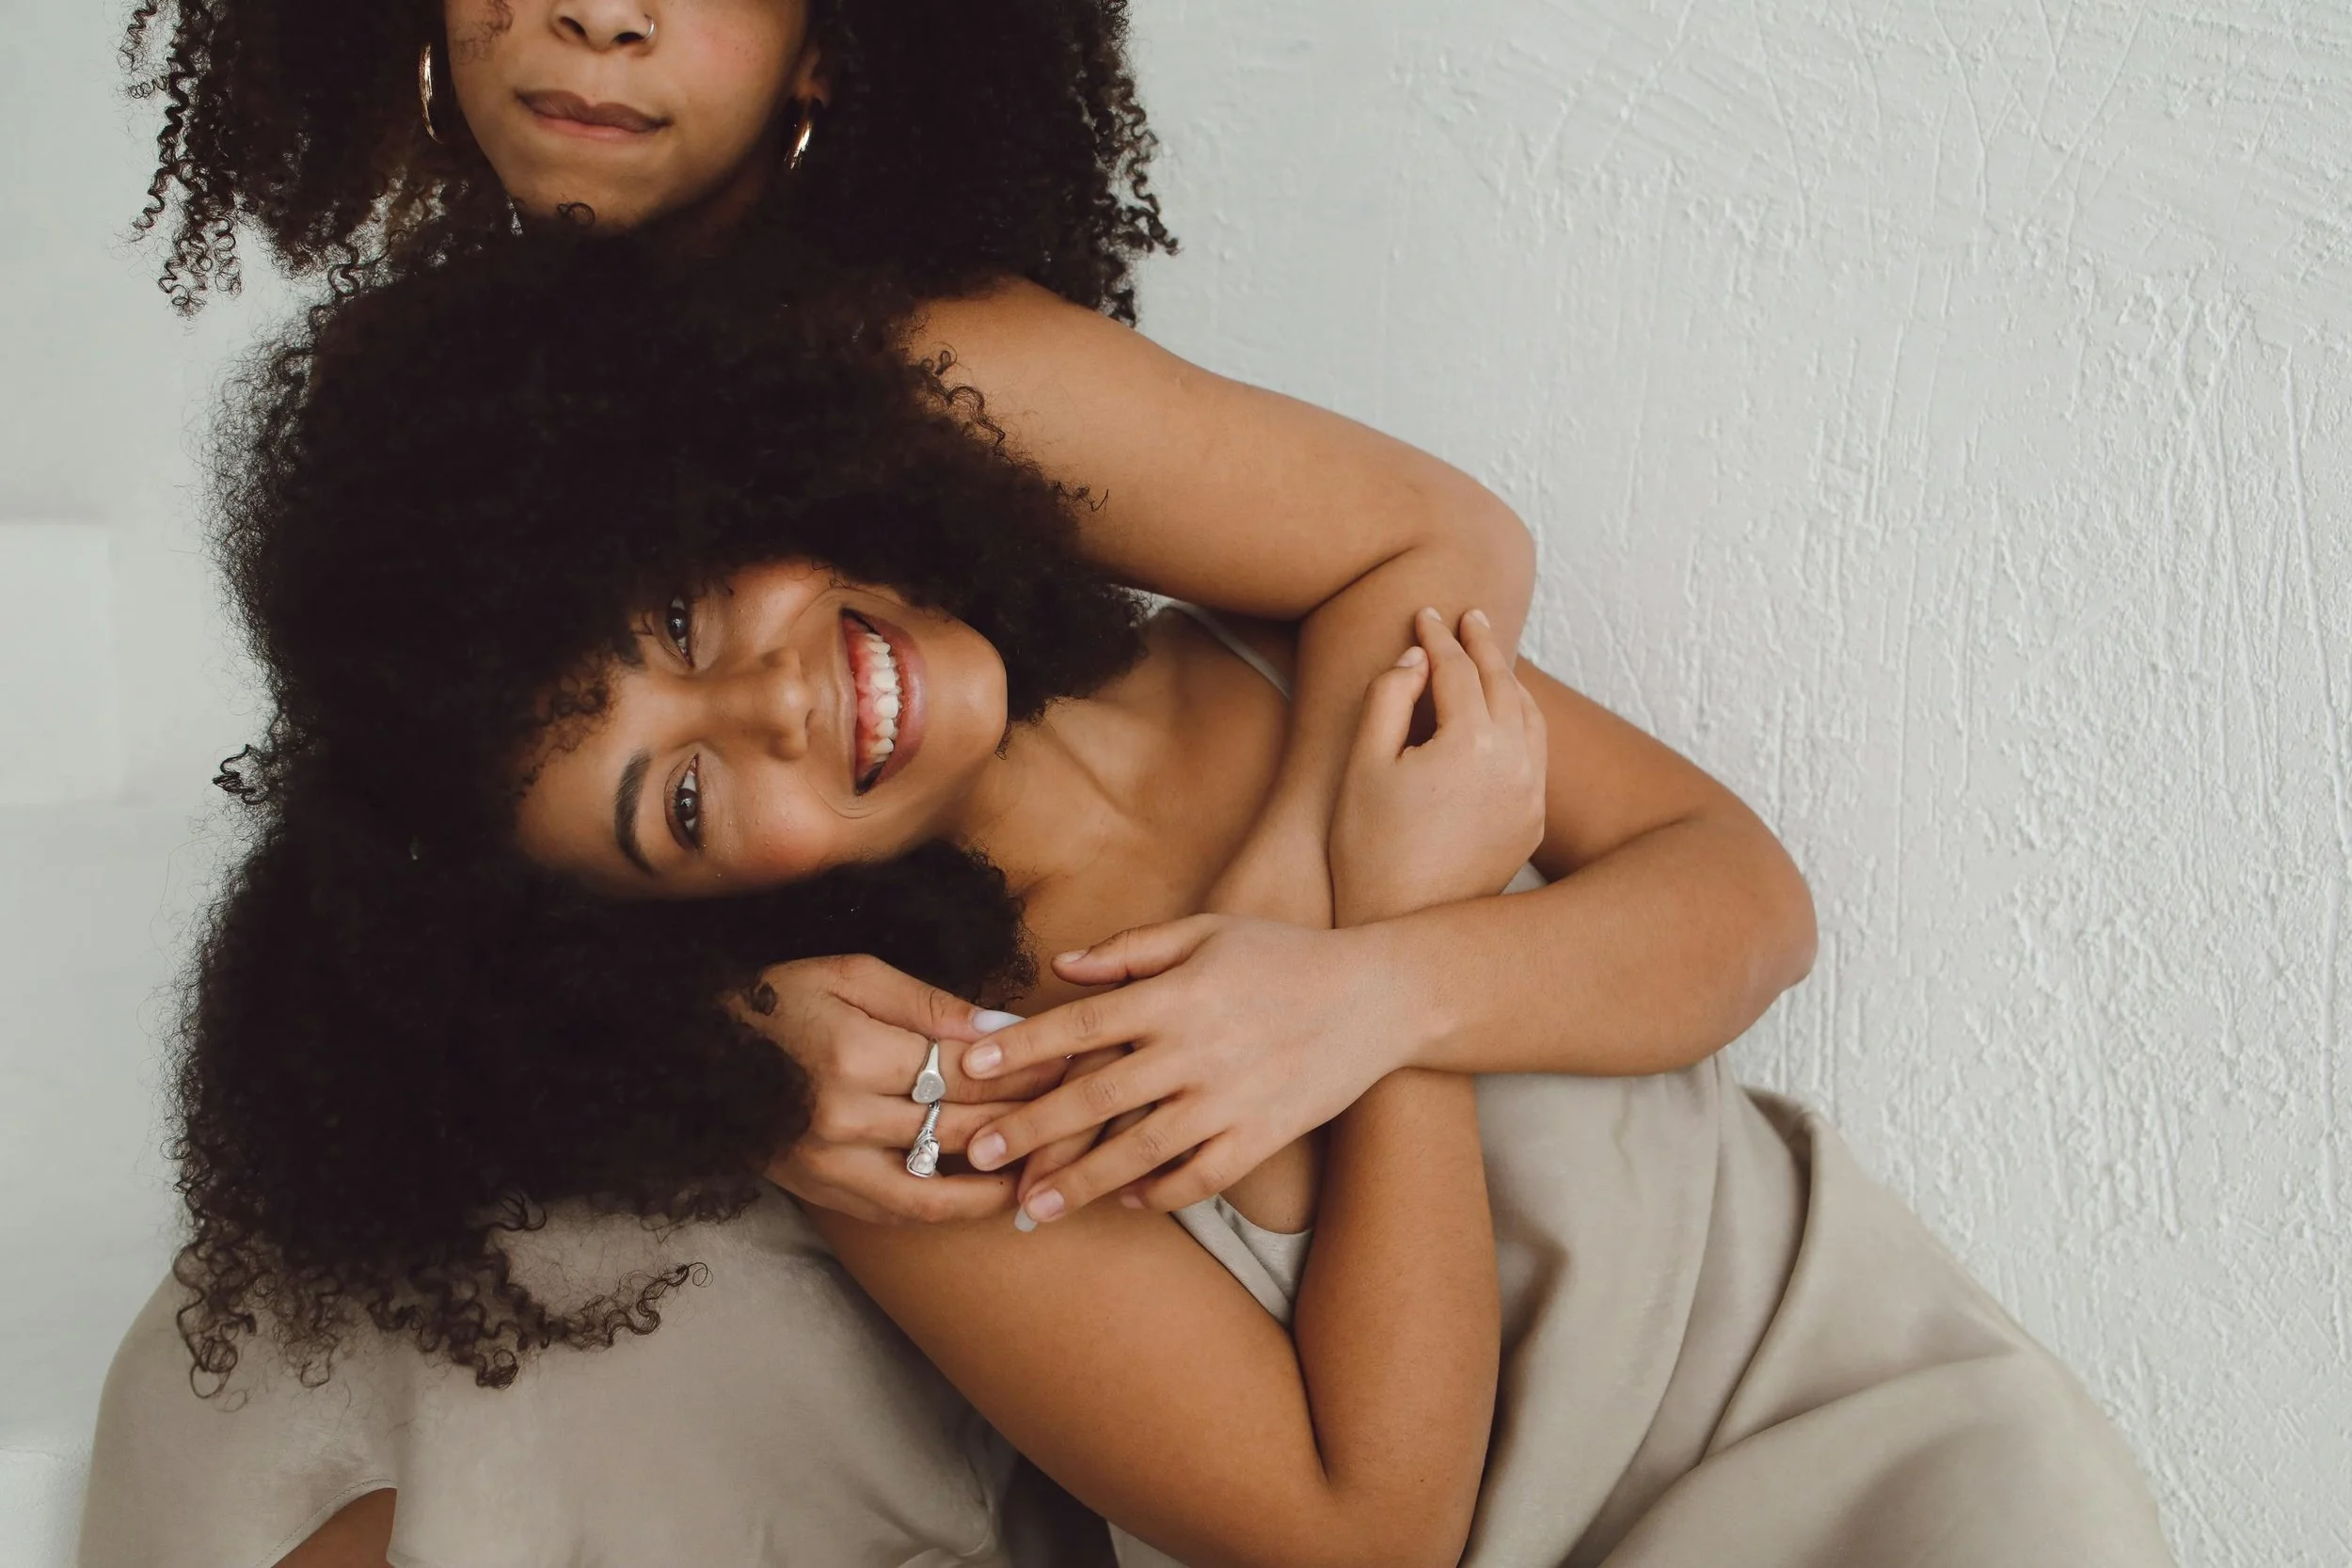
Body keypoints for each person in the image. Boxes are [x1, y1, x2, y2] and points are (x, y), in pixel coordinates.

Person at [81, 239, 2171, 1568]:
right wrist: (1367, 1002)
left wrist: (1370, 977)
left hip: (1852, 1405)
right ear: (682, 917)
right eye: (690, 793)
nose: (788, 695)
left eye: (688, 606)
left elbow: (1744, 903)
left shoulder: (1269, 654)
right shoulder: (926, 1067)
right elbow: (1361, 1527)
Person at [123, 0, 1550, 1223]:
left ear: (823, 51)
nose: (604, 18)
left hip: (1048, 1148)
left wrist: (1259, 979)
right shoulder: (457, 409)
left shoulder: (914, 363)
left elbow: (1444, 535)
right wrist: (718, 1042)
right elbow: (435, 844)